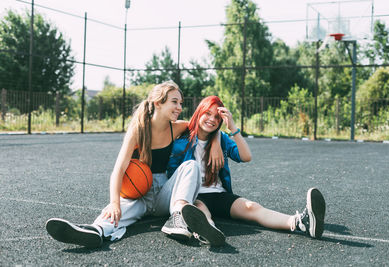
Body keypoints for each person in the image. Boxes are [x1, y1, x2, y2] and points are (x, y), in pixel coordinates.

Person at [45, 81, 224, 248]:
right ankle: (95, 231)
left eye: (181, 103)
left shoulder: (175, 127)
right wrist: (114, 202)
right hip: (138, 195)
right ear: (158, 103)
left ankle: (177, 218)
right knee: (114, 212)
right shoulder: (138, 130)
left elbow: (205, 125)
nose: (180, 107)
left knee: (191, 166)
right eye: (175, 102)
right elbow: (119, 169)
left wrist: (215, 140)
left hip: (164, 194)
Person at [167, 96, 326, 246]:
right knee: (200, 209)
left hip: (218, 194)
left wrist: (233, 128)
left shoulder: (221, 139)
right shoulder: (181, 140)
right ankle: (207, 231)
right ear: (199, 112)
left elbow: (246, 156)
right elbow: (173, 174)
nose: (212, 119)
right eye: (207, 113)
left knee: (252, 207)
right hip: (194, 195)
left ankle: (300, 222)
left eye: (217, 117)